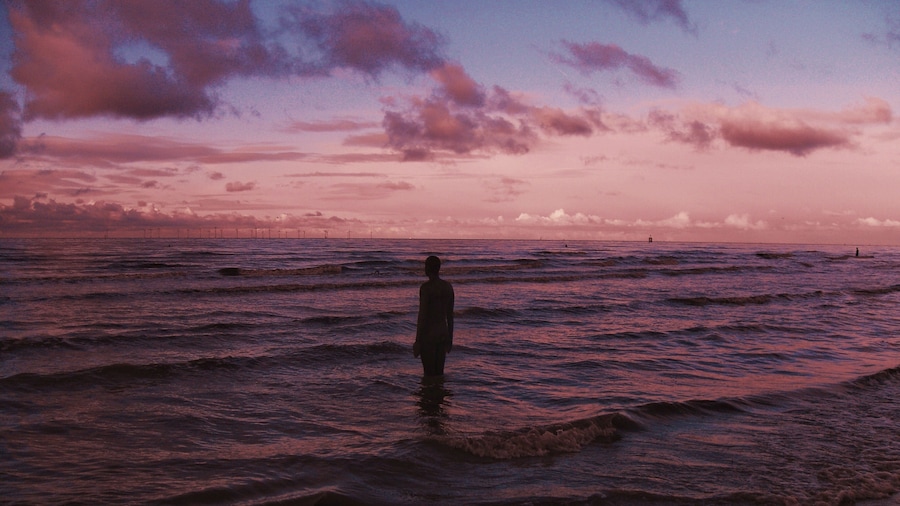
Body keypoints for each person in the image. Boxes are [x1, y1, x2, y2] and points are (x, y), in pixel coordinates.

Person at [413, 255, 454, 377]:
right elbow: (450, 316)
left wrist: (417, 341)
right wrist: (450, 338)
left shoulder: (426, 288)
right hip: (442, 333)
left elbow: (423, 315)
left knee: (428, 374)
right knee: (439, 373)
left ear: (427, 268)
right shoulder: (448, 287)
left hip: (428, 335)